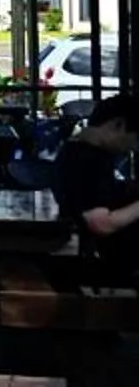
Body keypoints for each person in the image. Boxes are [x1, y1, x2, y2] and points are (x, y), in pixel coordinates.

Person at [55, 94, 139, 282]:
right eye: (134, 139)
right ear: (118, 125)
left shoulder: (83, 152)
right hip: (115, 257)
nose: (132, 147)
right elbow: (100, 223)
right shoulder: (85, 160)